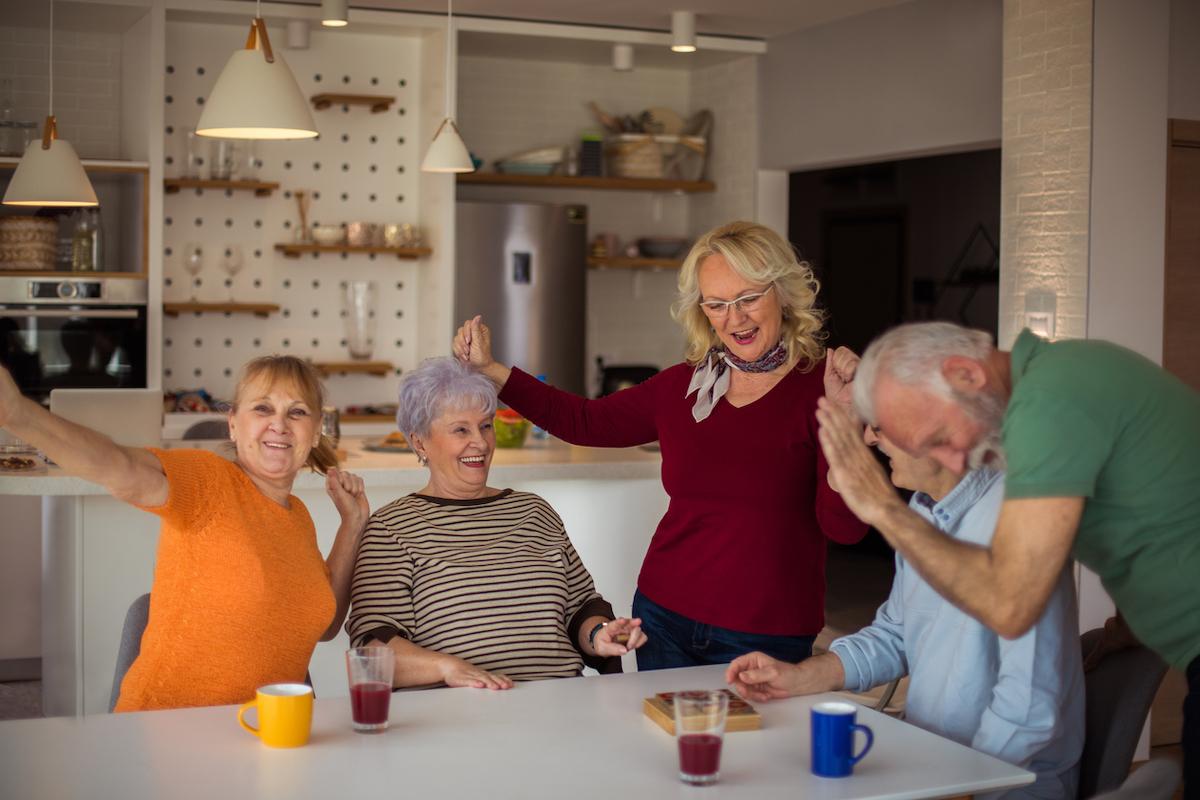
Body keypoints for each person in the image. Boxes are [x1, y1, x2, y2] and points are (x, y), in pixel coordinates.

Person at [452, 220, 867, 671]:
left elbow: (845, 529)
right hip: (663, 616)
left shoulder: (825, 388)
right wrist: (492, 371)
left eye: (749, 298)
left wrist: (847, 425)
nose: (736, 318)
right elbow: (584, 422)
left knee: (752, 745)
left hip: (765, 632)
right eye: (718, 303)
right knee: (664, 743)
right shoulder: (685, 386)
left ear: (783, 294)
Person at [814, 321, 1200, 798]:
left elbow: (1010, 606)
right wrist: (1131, 617)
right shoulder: (1058, 387)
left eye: (939, 437)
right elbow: (1151, 503)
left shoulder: (1050, 405)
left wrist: (883, 507)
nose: (953, 462)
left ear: (966, 376)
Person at [728, 425, 1084, 799]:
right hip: (931, 763)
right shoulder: (925, 508)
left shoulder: (1021, 520)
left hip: (1001, 787)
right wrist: (801, 676)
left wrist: (960, 787)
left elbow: (1028, 710)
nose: (869, 438)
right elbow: (895, 633)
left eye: (883, 423)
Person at [0, 356, 369, 711]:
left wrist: (352, 526)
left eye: (297, 412)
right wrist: (18, 413)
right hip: (168, 730)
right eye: (262, 408)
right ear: (233, 424)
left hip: (261, 738)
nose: (280, 424)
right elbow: (119, 465)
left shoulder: (298, 518)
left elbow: (325, 624)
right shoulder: (210, 482)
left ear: (317, 429)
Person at [345, 357, 646, 689]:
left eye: (486, 425)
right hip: (459, 716)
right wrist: (447, 668)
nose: (481, 442)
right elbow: (371, 650)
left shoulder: (534, 511)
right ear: (420, 442)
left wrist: (599, 634)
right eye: (461, 429)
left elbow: (581, 608)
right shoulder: (392, 528)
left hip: (558, 702)